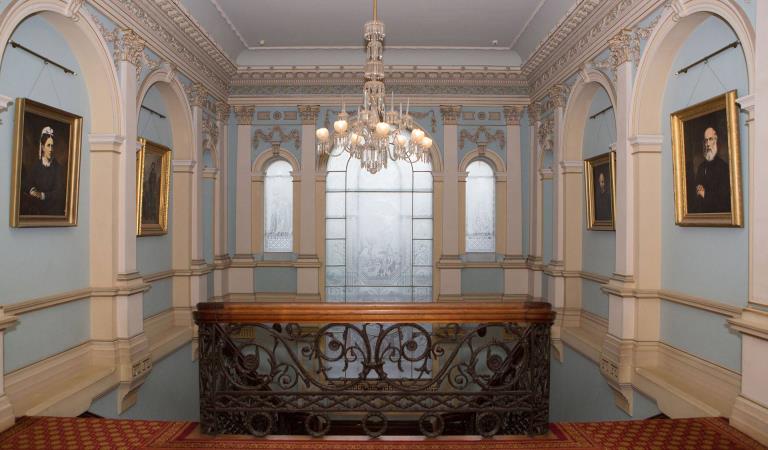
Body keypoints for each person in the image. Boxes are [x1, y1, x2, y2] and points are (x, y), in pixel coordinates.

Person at [21, 126, 65, 215]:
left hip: (52, 212)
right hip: (37, 211)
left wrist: (42, 195)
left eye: (52, 146)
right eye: (48, 145)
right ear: (43, 147)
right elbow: (26, 183)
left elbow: (59, 193)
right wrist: (32, 190)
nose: (51, 149)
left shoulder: (58, 168)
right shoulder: (36, 166)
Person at [691, 127, 730, 213]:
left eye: (710, 139)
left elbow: (724, 201)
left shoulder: (723, 167)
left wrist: (705, 194)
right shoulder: (701, 167)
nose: (707, 144)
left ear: (716, 141)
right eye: (706, 140)